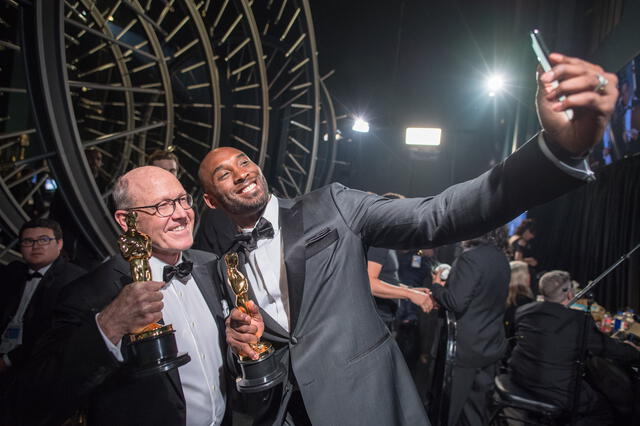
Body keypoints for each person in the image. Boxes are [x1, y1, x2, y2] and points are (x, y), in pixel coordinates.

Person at [199, 54, 618, 425]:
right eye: (224, 174)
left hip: (366, 402)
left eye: (244, 161)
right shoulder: (224, 267)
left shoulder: (332, 206)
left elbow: (438, 214)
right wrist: (243, 343)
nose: (242, 172)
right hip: (286, 412)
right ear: (211, 201)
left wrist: (556, 152)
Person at [12, 167, 231, 426]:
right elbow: (37, 395)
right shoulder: (89, 290)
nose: (182, 214)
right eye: (163, 206)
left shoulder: (211, 266)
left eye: (183, 200)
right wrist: (109, 325)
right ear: (127, 221)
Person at [508, 270, 640, 424]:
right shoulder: (578, 321)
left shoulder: (524, 311)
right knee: (605, 409)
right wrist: (633, 350)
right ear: (570, 294)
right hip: (553, 389)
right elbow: (608, 348)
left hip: (519, 376)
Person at [428, 227, 510, 426]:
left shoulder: (470, 258)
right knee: (474, 414)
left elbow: (455, 302)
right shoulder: (502, 259)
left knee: (446, 413)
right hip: (489, 346)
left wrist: (437, 286)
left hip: (464, 350)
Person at [0, 219, 85, 377]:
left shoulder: (73, 279)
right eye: (28, 241)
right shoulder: (12, 272)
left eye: (44, 240)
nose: (36, 246)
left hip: (37, 365)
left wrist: (8, 360)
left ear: (59, 244)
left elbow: (53, 334)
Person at [367, 193, 432, 330]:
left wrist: (411, 290)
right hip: (374, 320)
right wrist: (410, 294)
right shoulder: (380, 240)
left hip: (382, 318)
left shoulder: (386, 241)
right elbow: (370, 283)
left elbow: (385, 278)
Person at [503, 260, 534, 342]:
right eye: (528, 273)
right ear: (522, 277)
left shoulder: (501, 297)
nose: (530, 276)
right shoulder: (524, 302)